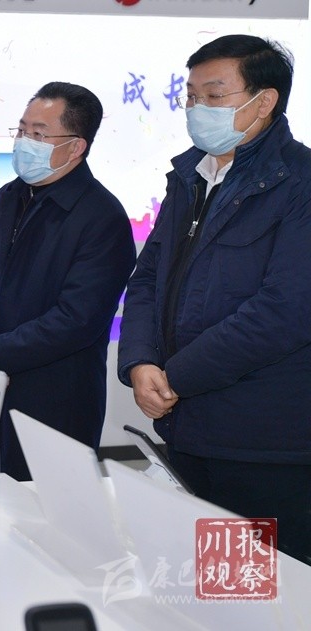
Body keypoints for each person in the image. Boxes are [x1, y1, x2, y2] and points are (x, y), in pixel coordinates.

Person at [118, 35, 311, 563]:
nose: (196, 108)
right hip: (187, 432)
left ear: (264, 101)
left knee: (258, 589)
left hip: (264, 444)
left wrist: (175, 377)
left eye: (214, 95)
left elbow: (285, 311)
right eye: (191, 96)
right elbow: (147, 278)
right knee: (194, 582)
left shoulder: (300, 182)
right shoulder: (190, 178)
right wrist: (139, 362)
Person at [0, 82, 135, 482]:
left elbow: (75, 321)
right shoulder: (7, 197)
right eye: (22, 130)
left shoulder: (101, 217)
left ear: (75, 147)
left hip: (56, 401)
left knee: (46, 509)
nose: (24, 142)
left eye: (39, 135)